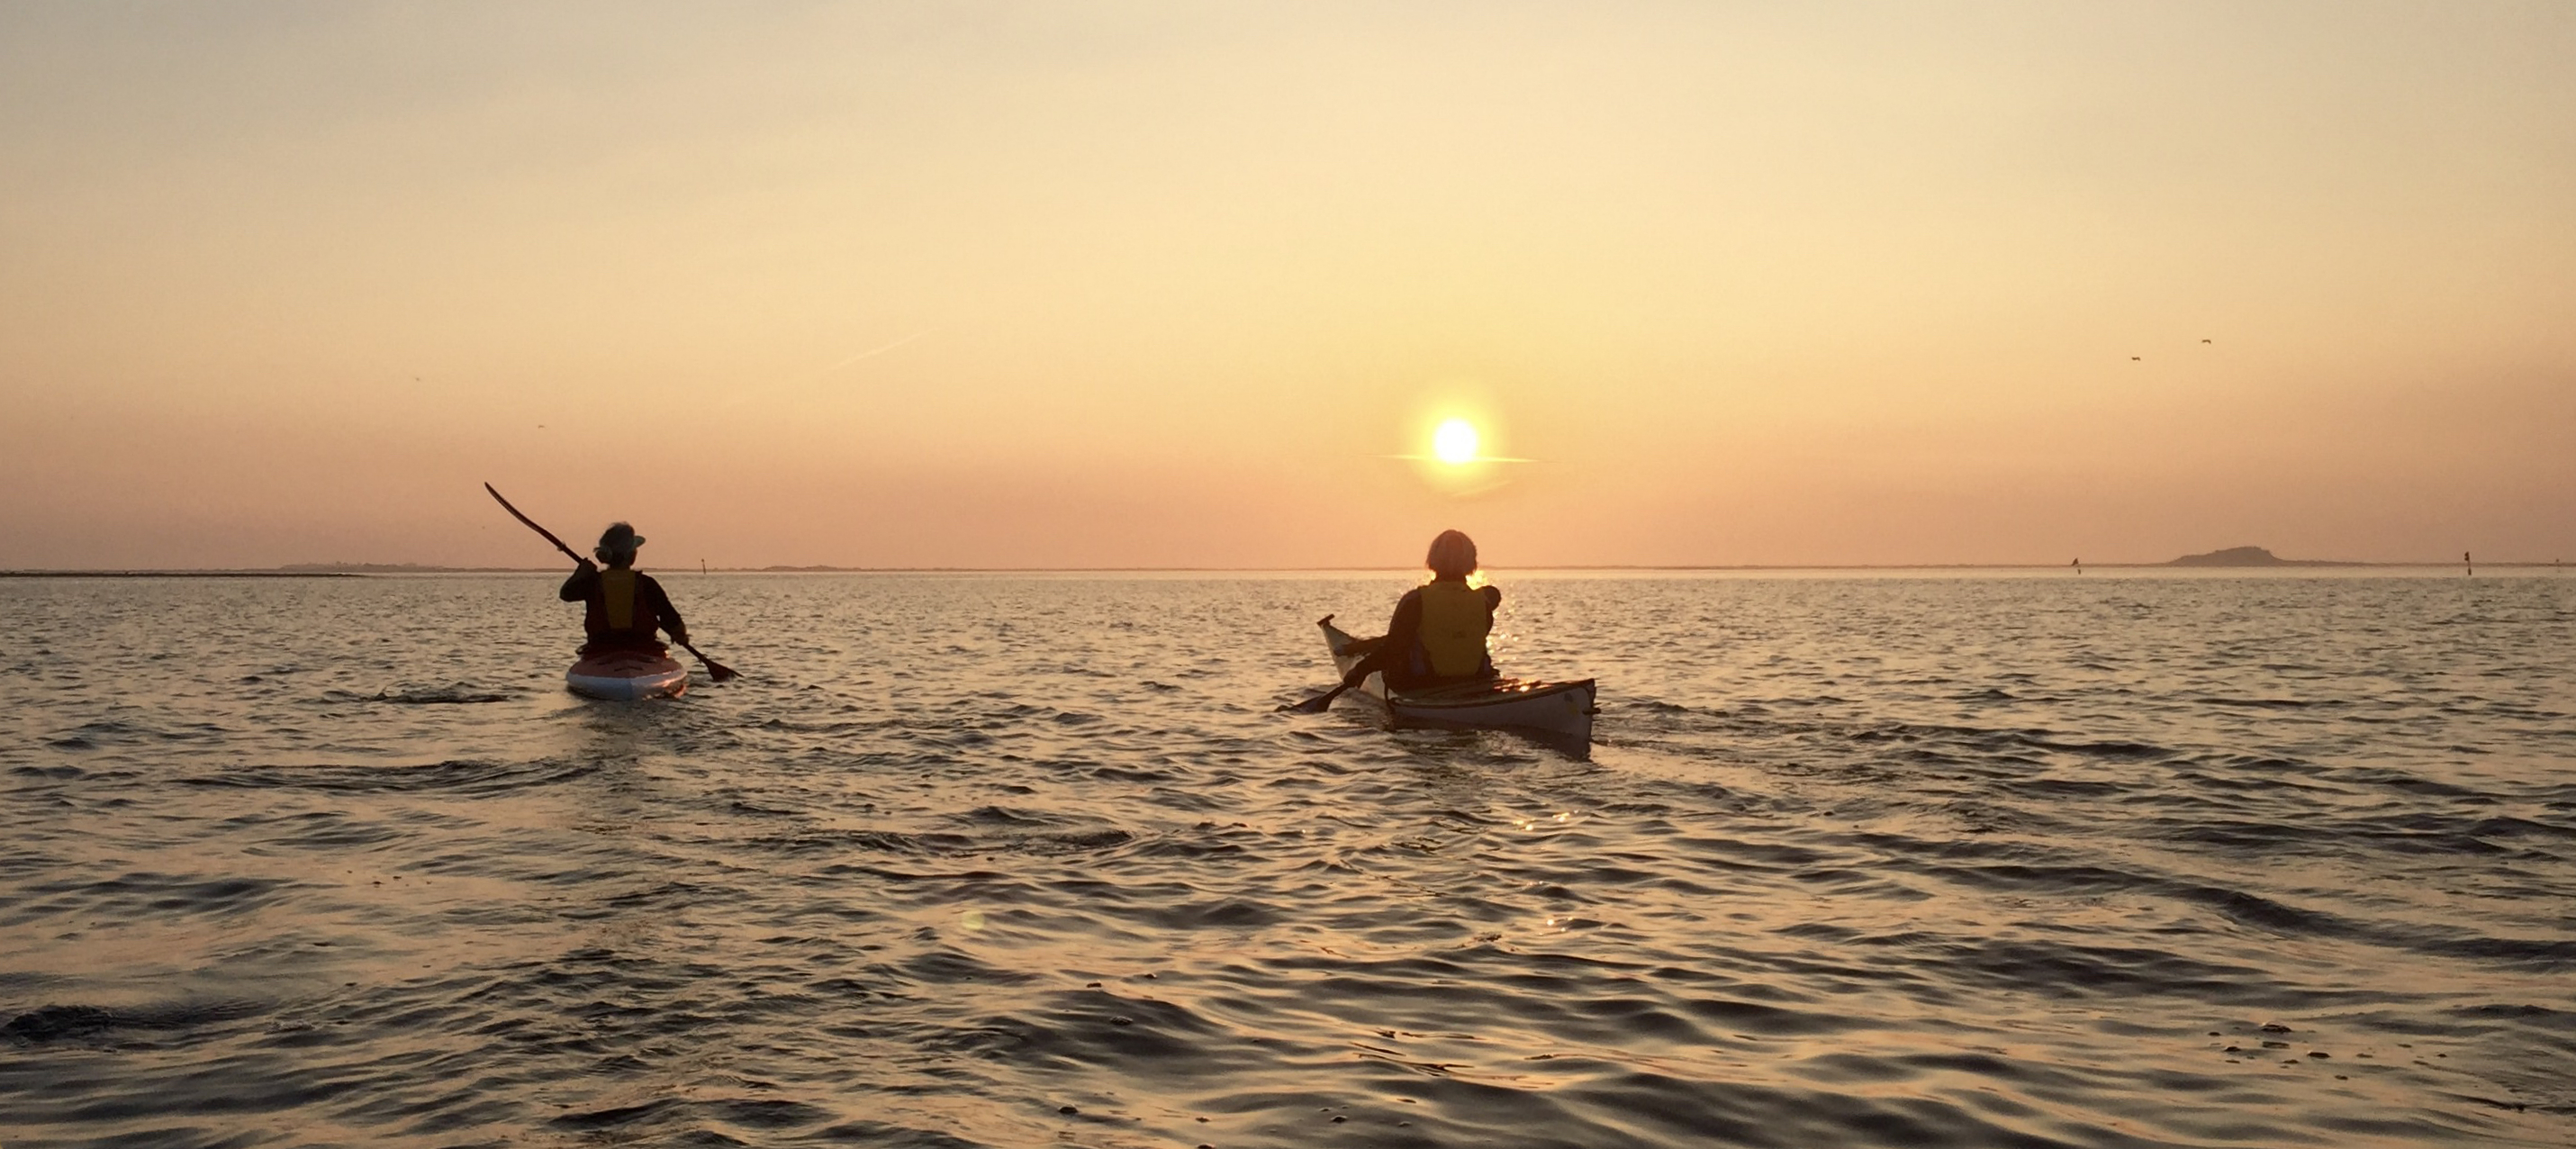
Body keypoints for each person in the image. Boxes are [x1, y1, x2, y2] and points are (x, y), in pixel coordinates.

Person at [1336, 529, 1501, 694]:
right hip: (1476, 682)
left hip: (1425, 685)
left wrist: (1360, 670)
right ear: (1471, 564)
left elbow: (1393, 650)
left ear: (1432, 561)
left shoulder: (1415, 601)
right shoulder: (1483, 604)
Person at [558, 522, 688, 656]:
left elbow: (566, 594)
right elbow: (672, 619)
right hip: (643, 647)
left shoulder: (592, 582)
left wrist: (580, 573)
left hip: (601, 648)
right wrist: (680, 634)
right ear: (631, 555)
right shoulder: (647, 584)